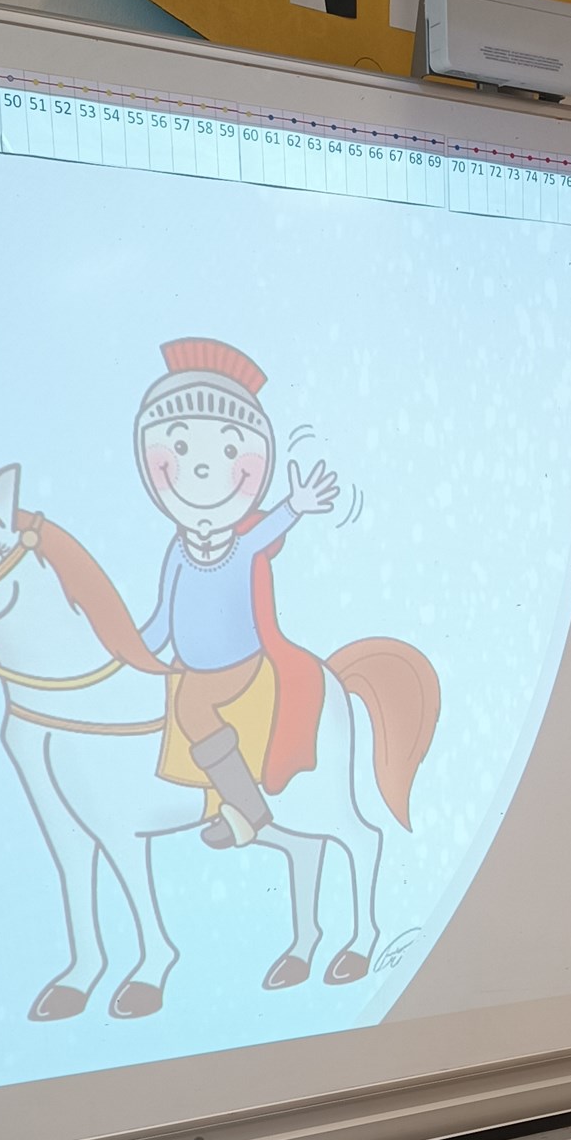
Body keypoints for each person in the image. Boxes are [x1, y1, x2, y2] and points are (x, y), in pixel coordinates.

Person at [135, 337, 341, 849]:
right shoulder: (180, 550)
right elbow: (161, 619)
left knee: (192, 708)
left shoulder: (242, 544)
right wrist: (129, 652)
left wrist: (295, 505)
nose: (202, 468)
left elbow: (269, 529)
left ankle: (248, 811)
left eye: (228, 450)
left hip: (234, 664)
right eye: (181, 448)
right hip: (189, 663)